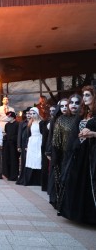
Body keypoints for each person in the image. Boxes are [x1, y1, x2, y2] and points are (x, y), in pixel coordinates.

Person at [59, 86, 96, 224]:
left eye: (87, 95)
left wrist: (93, 134)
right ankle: (80, 214)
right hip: (80, 154)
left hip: (92, 155)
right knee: (80, 183)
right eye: (84, 95)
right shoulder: (83, 114)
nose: (84, 98)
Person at [46, 98, 68, 208]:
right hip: (56, 151)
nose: (64, 108)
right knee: (56, 174)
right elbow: (50, 137)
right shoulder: (55, 119)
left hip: (67, 152)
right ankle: (55, 199)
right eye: (62, 106)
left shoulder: (74, 118)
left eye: (66, 105)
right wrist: (48, 151)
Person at [17, 107, 43, 186]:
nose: (32, 115)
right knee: (31, 160)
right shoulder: (30, 123)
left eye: (33, 113)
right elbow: (28, 134)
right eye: (31, 114)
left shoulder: (41, 122)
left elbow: (43, 134)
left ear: (37, 113)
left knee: (38, 160)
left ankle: (38, 181)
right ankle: (30, 180)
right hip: (32, 143)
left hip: (39, 141)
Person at [16, 107, 32, 185]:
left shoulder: (34, 123)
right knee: (24, 162)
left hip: (32, 145)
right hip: (23, 145)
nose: (28, 115)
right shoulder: (22, 123)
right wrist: (18, 145)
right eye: (27, 113)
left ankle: (30, 179)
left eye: (30, 113)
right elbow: (19, 134)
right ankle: (23, 178)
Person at [2, 111, 19, 181]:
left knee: (14, 160)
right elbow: (6, 133)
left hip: (14, 146)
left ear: (12, 117)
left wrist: (12, 138)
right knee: (7, 159)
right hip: (7, 145)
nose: (7, 118)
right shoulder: (7, 125)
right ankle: (8, 174)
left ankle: (14, 176)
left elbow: (18, 135)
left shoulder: (17, 124)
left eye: (8, 117)